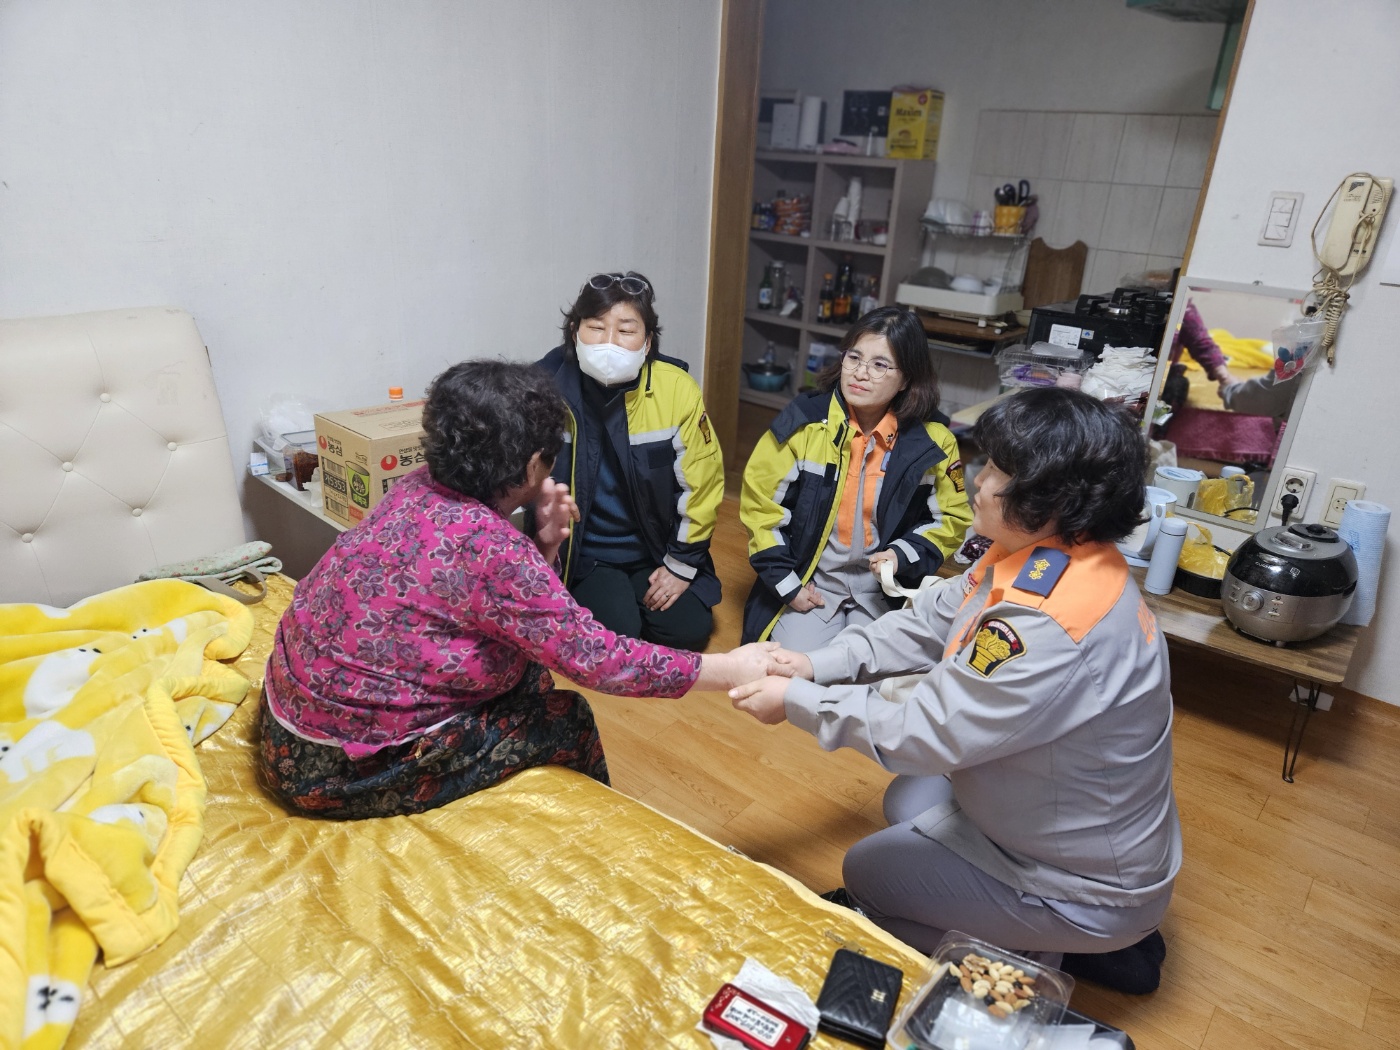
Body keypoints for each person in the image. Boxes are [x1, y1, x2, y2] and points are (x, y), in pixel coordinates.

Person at [730, 388, 1182, 994]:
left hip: (1091, 883)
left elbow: (923, 732)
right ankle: (1060, 928)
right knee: (910, 799)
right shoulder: (1048, 552)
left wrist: (796, 702)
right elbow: (929, 620)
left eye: (998, 471)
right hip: (1075, 819)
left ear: (1051, 499)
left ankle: (1057, 947)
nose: (978, 479)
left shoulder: (1050, 624)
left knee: (866, 876)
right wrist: (814, 664)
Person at [259, 360, 772, 819]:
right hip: (331, 769)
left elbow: (501, 607)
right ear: (531, 466)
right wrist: (730, 668)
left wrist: (544, 543)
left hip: (288, 714)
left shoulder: (415, 484)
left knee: (527, 671)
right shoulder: (495, 550)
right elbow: (600, 660)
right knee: (567, 717)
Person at [738, 306, 971, 647]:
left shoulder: (934, 441)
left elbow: (951, 518)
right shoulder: (804, 423)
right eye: (854, 357)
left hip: (883, 587)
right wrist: (788, 585)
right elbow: (761, 509)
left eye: (879, 365)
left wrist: (901, 555)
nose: (860, 373)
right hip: (813, 582)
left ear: (907, 378)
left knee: (870, 667)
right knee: (797, 667)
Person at [536, 271, 722, 653]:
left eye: (625, 330)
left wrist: (679, 565)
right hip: (583, 552)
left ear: (648, 341)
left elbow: (702, 485)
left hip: (653, 546)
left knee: (688, 629)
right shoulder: (543, 388)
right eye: (595, 327)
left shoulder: (676, 389)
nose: (609, 342)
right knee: (619, 636)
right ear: (574, 332)